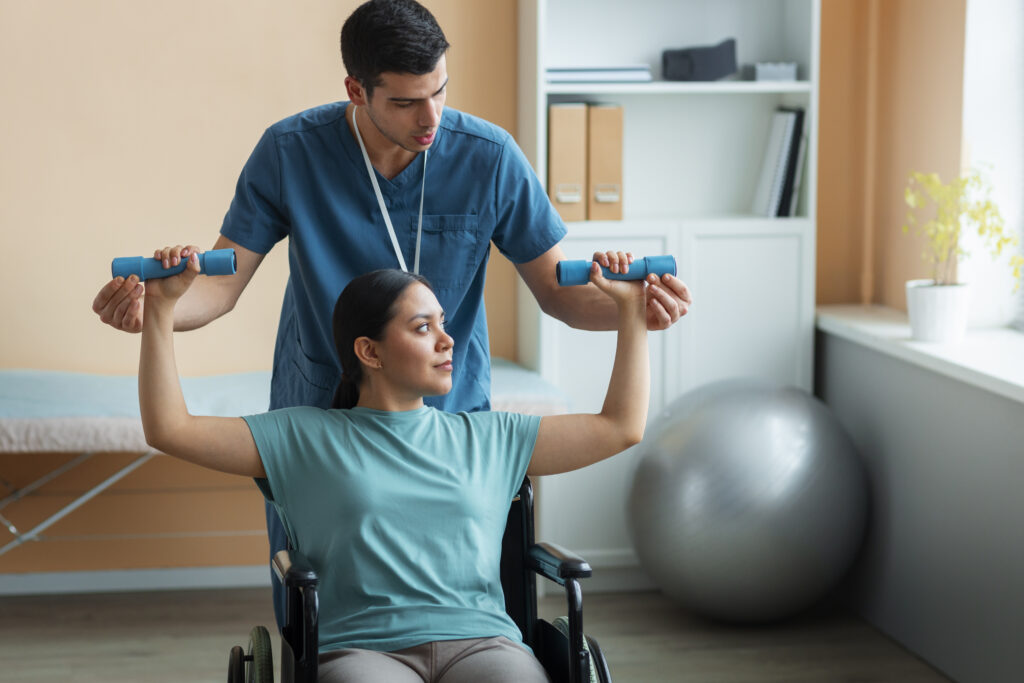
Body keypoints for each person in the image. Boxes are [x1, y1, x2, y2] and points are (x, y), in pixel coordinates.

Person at [92, 0, 691, 624]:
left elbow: (561, 293)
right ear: (356, 89)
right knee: (320, 601)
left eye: (439, 92)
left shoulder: (488, 157)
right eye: (406, 102)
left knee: (459, 589)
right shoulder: (290, 151)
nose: (431, 118)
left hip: (445, 420)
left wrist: (635, 313)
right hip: (323, 417)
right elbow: (220, 285)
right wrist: (156, 312)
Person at [138, 256, 649, 683]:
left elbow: (620, 426)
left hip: (484, 642)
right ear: (370, 352)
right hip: (360, 652)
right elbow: (170, 428)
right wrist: (161, 309)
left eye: (443, 324)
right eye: (423, 327)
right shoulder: (301, 437)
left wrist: (632, 312)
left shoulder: (492, 436)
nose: (447, 340)